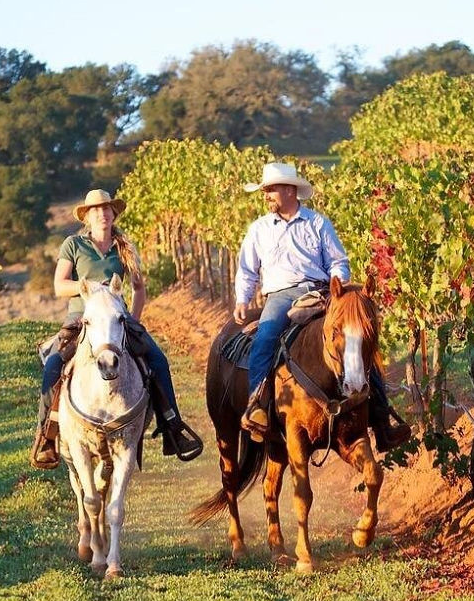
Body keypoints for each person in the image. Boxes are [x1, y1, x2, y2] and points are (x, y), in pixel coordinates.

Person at [233, 162, 412, 451]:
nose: (266, 195)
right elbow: (247, 270)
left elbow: (338, 261)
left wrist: (338, 287)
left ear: (290, 191)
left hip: (320, 292)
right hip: (280, 295)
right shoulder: (259, 229)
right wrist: (242, 299)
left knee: (357, 338)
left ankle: (382, 420)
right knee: (265, 337)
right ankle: (257, 406)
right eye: (265, 190)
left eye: (271, 189)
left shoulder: (317, 223)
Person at [30, 189, 202, 469]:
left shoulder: (124, 246)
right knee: (52, 365)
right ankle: (46, 437)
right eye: (96, 210)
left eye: (106, 209)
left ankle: (173, 427)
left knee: (157, 360)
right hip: (81, 319)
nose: (102, 214)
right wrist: (88, 288)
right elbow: (59, 285)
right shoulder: (73, 245)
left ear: (113, 213)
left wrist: (131, 319)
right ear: (86, 216)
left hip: (117, 320)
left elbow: (139, 288)